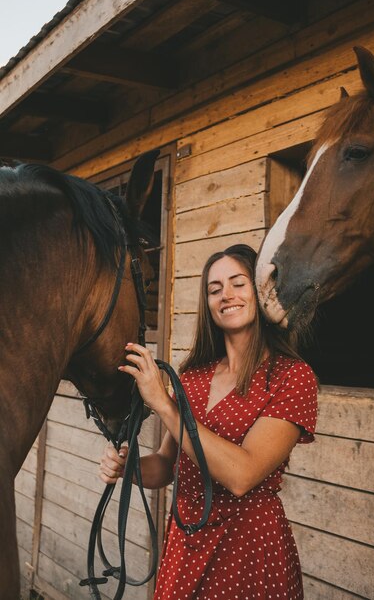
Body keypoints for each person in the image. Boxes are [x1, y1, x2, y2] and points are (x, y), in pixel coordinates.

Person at [100, 244, 318, 599]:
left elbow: (242, 476)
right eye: (215, 289)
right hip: (187, 542)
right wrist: (129, 468)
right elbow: (167, 466)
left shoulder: (291, 377)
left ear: (260, 292)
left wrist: (164, 405)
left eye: (238, 283)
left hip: (248, 546)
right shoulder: (193, 378)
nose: (226, 295)